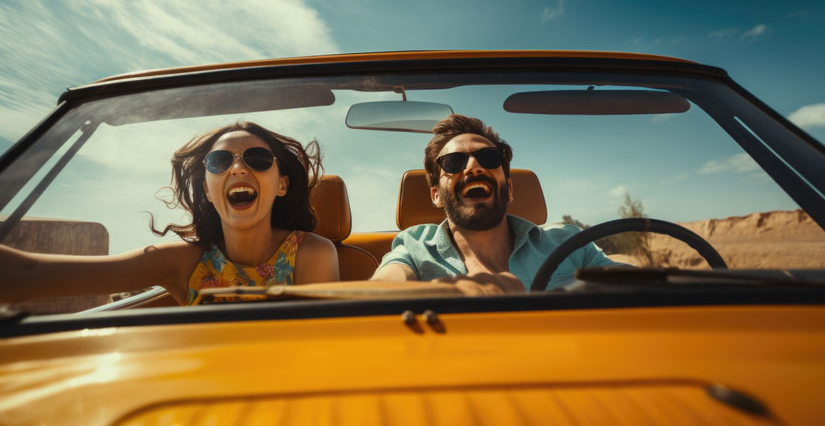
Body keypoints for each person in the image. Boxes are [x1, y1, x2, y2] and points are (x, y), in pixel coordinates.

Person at [1, 122, 339, 305]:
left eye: (258, 159)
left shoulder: (312, 254)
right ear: (207, 189)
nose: (237, 168)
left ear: (281, 185)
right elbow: (28, 274)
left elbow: (323, 352)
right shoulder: (183, 263)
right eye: (219, 162)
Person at [371, 114, 618, 295]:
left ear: (509, 189)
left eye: (488, 158)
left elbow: (637, 284)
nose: (473, 167)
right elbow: (383, 287)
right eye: (454, 162)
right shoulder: (414, 246)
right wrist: (442, 295)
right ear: (436, 195)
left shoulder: (569, 243)